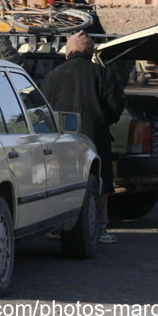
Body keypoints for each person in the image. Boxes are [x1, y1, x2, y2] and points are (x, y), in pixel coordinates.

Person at [41, 31, 124, 243]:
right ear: (90, 51)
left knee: (62, 180)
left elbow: (42, 109)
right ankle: (101, 228)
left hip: (62, 139)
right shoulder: (101, 74)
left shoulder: (54, 75)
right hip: (94, 137)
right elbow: (115, 106)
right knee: (99, 181)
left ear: (68, 51)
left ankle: (57, 227)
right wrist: (104, 121)